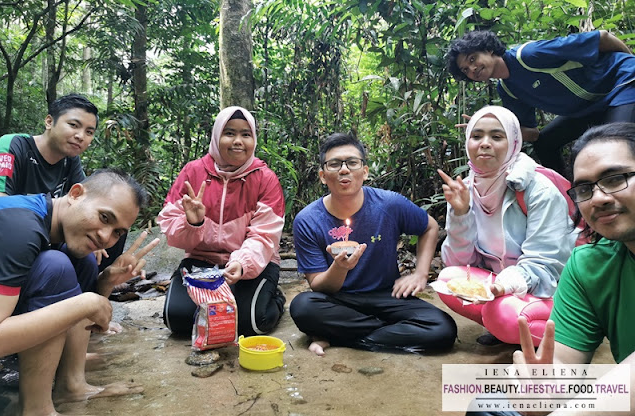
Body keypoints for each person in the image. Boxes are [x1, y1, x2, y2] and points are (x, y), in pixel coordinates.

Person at [468, 122, 635, 415]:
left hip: (534, 287)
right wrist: (543, 386)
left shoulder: (537, 189)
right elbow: (563, 363)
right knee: (490, 406)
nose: (598, 198)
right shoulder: (588, 263)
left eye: (615, 178)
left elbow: (541, 260)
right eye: (585, 188)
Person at [0, 168, 160, 416]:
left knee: (81, 262)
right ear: (75, 194)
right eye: (105, 218)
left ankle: (72, 385)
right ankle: (36, 410)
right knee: (55, 267)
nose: (106, 237)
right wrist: (84, 304)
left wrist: (104, 283)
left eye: (117, 232)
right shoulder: (22, 228)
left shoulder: (50, 223)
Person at [289, 132, 457, 356]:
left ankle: (337, 335)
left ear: (365, 172)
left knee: (443, 328)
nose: (344, 169)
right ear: (322, 175)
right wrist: (340, 268)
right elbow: (319, 286)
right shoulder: (307, 220)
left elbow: (430, 227)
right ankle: (384, 333)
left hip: (387, 295)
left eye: (352, 162)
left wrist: (420, 274)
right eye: (334, 164)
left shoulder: (389, 204)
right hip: (338, 300)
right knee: (303, 307)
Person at [437, 106, 577, 346]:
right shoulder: (465, 189)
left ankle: (572, 334)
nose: (485, 143)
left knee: (501, 314)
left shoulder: (538, 189)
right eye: (477, 135)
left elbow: (545, 265)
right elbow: (459, 264)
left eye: (497, 136)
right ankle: (505, 323)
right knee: (448, 279)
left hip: (552, 290)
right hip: (505, 291)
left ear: (514, 142)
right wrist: (460, 214)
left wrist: (502, 286)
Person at [157, 106, 286, 337]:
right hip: (201, 260)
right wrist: (193, 223)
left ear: (253, 139)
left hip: (252, 264)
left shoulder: (265, 178)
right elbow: (170, 227)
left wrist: (242, 263)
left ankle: (274, 296)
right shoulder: (193, 172)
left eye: (246, 134)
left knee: (252, 323)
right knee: (176, 320)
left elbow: (264, 235)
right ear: (217, 136)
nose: (238, 141)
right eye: (230, 133)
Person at [446, 30, 635, 175]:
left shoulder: (528, 55)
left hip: (622, 82)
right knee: (545, 143)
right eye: (465, 70)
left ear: (488, 49)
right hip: (590, 107)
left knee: (615, 143)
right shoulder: (507, 90)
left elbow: (602, 38)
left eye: (473, 59)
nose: (472, 68)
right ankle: (569, 199)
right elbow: (532, 134)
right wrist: (493, 129)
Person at [0, 93, 126, 269]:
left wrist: (95, 232)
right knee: (56, 262)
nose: (81, 136)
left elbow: (89, 201)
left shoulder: (70, 160)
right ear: (49, 122)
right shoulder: (14, 145)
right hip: (14, 236)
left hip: (48, 237)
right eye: (73, 125)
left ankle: (102, 283)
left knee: (113, 224)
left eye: (89, 132)